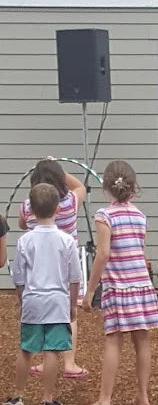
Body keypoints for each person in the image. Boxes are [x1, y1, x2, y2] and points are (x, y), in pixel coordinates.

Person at [76, 161, 158, 405]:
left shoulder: (104, 216)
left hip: (118, 286)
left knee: (113, 340)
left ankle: (104, 400)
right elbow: (140, 251)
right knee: (142, 340)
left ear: (106, 188)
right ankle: (142, 396)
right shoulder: (140, 216)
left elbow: (103, 254)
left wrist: (90, 290)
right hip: (142, 285)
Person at [3, 183, 81, 405]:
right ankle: (47, 399)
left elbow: (18, 276)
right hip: (57, 301)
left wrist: (22, 300)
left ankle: (17, 395)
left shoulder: (25, 240)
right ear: (58, 208)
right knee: (52, 350)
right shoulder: (67, 241)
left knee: (26, 348)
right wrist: (73, 305)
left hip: (32, 299)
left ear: (31, 211)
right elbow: (74, 277)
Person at [19, 158, 88, 378]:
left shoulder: (28, 206)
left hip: (39, 272)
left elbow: (21, 224)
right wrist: (58, 169)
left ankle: (43, 361)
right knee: (69, 315)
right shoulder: (70, 202)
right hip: (65, 268)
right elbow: (81, 186)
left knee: (42, 314)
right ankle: (69, 362)